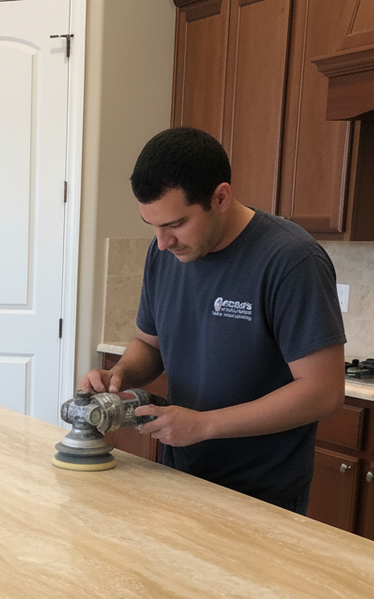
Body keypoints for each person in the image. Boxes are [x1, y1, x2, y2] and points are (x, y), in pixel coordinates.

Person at [81, 127, 346, 514]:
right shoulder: (165, 255)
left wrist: (203, 425)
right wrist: (119, 375)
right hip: (178, 478)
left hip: (262, 497)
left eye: (175, 224)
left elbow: (323, 392)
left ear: (220, 197)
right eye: (151, 225)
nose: (162, 241)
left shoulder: (291, 260)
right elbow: (149, 345)